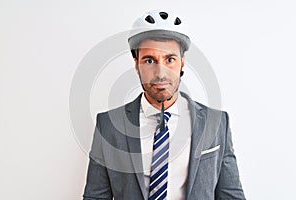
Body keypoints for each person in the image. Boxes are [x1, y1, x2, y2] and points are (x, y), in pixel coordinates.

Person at [83, 10, 246, 200]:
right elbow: (95, 197)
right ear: (137, 64)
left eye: (170, 59)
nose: (160, 72)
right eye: (149, 60)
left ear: (182, 63)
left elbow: (231, 195)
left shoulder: (216, 122)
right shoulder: (109, 124)